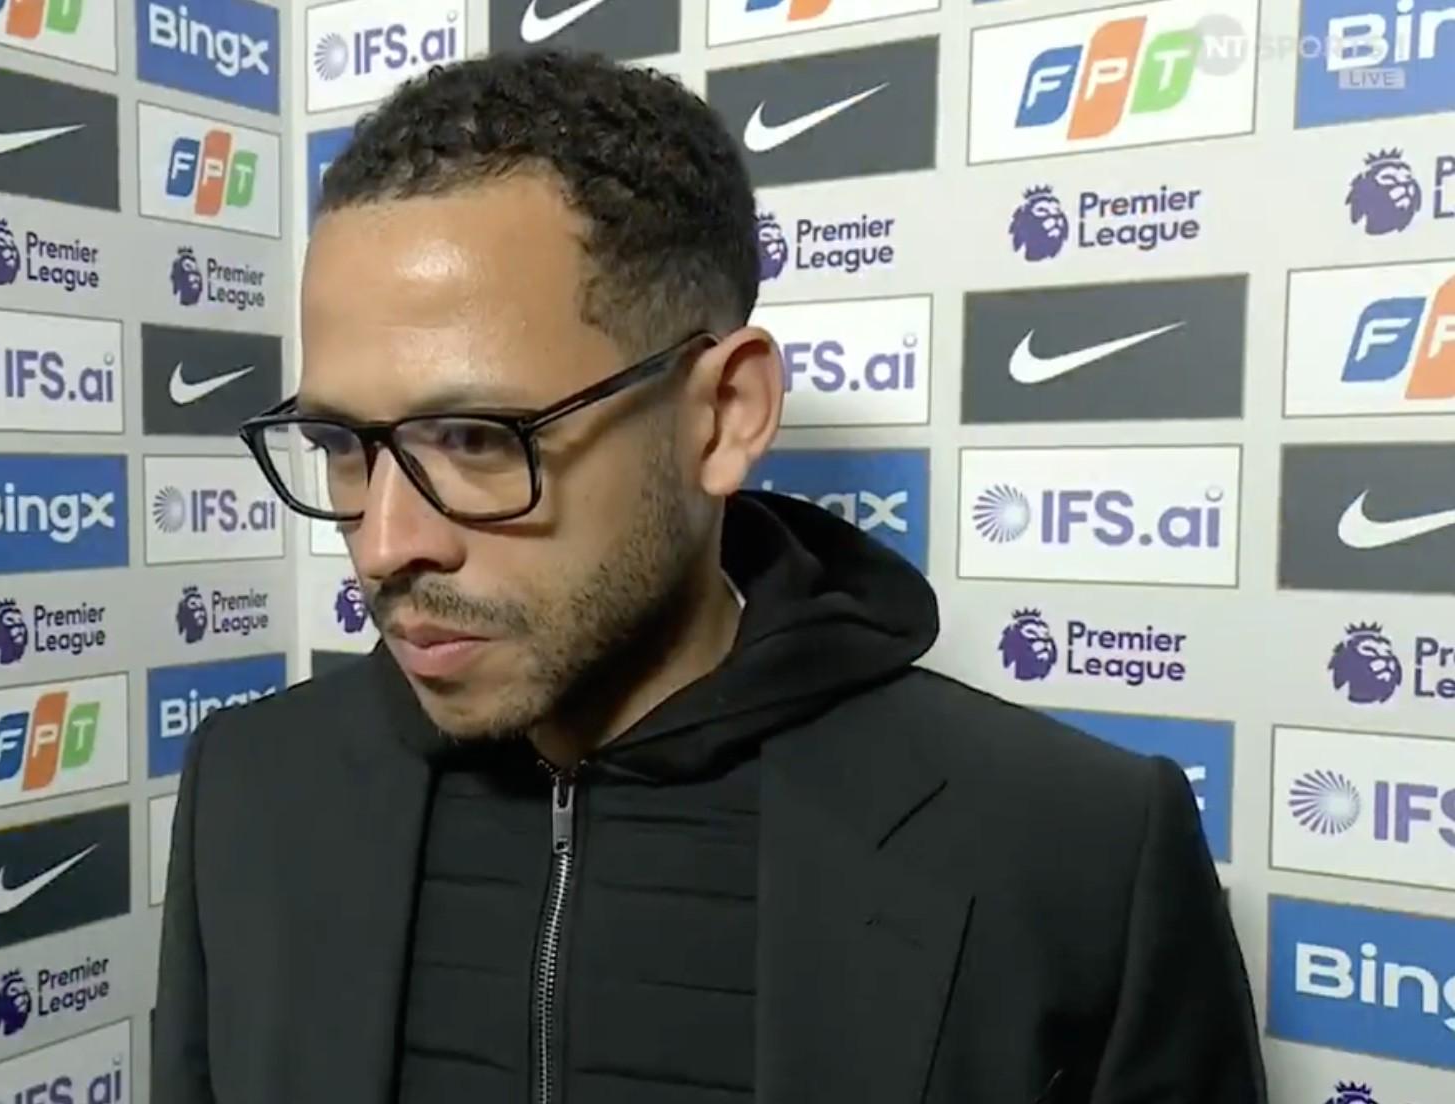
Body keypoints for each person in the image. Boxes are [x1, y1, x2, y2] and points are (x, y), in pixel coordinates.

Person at [152, 48, 1266, 1104]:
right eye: (341, 445)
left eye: (478, 438)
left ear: (724, 414)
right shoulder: (251, 792)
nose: (384, 542)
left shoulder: (1074, 851)